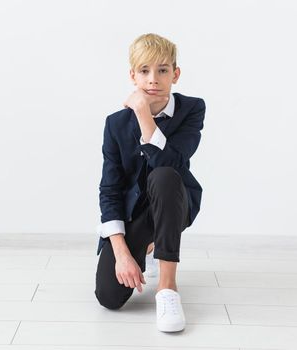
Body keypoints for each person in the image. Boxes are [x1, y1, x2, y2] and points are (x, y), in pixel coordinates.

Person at [94, 33, 206, 333]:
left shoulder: (192, 110)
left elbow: (170, 163)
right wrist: (121, 253)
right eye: (144, 71)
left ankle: (167, 289)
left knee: (165, 174)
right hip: (136, 211)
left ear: (175, 74)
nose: (153, 79)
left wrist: (144, 113)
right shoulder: (115, 123)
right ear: (133, 75)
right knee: (109, 296)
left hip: (175, 199)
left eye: (162, 70)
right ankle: (146, 245)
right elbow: (110, 188)